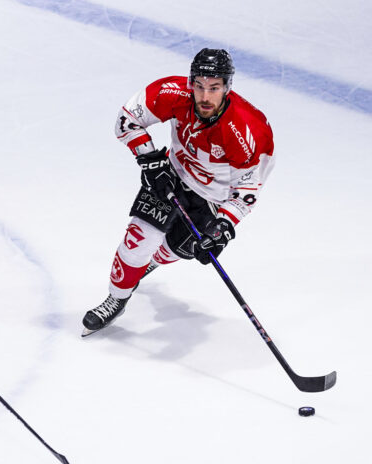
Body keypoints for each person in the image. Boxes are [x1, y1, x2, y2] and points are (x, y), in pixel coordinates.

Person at [81, 48, 275, 337]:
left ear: (227, 87)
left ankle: (152, 262)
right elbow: (126, 119)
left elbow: (247, 190)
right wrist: (149, 160)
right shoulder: (172, 93)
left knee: (176, 249)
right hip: (170, 175)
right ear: (190, 82)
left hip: (213, 197)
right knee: (138, 241)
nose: (204, 96)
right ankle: (117, 298)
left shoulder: (247, 131)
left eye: (214, 88)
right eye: (199, 86)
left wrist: (222, 227)